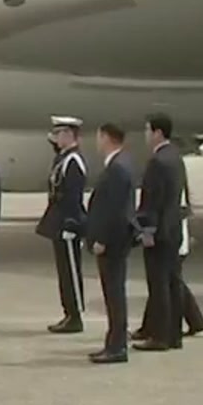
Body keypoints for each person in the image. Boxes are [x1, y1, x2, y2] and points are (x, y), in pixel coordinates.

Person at [134, 112, 189, 353]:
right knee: (173, 283)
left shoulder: (157, 162)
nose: (145, 135)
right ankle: (174, 335)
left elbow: (152, 201)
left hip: (159, 232)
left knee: (159, 286)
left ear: (157, 132)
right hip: (174, 229)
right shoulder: (175, 157)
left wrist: (147, 230)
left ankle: (160, 336)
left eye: (147, 130)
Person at [84, 123, 136, 364]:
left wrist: (102, 239)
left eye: (99, 137)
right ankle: (113, 343)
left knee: (114, 294)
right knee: (113, 294)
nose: (97, 142)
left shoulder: (117, 168)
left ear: (106, 138)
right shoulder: (119, 164)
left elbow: (114, 210)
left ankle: (117, 347)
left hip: (112, 243)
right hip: (115, 241)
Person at [34, 116, 89, 334]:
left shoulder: (73, 161)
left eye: (58, 134)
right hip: (59, 222)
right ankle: (68, 312)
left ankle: (75, 316)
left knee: (71, 272)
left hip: (68, 224)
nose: (55, 138)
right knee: (63, 271)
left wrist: (72, 224)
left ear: (68, 135)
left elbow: (73, 197)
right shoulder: (63, 158)